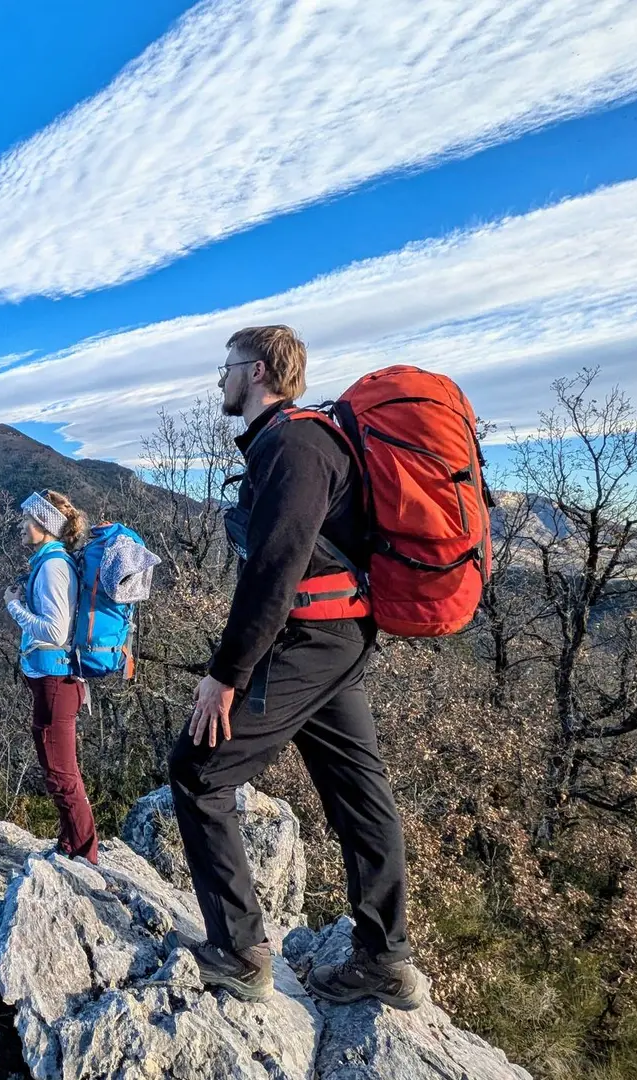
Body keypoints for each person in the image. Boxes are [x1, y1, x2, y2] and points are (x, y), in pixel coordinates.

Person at [170, 325, 430, 1009]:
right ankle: (386, 958)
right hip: (336, 636)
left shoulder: (294, 445)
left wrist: (225, 674)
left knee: (198, 771)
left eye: (227, 365)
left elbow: (275, 569)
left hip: (312, 638)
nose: (220, 378)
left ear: (256, 371)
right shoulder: (298, 441)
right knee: (358, 794)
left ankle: (238, 953)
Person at [6, 489, 100, 864]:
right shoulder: (51, 563)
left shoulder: (53, 568)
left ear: (44, 525)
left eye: (27, 519)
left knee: (61, 774)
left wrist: (14, 606)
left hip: (56, 683)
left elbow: (54, 631)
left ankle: (84, 855)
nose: (21, 525)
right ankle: (71, 843)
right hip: (55, 682)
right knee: (58, 769)